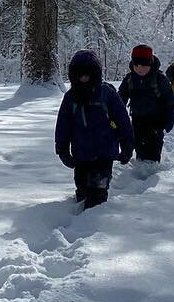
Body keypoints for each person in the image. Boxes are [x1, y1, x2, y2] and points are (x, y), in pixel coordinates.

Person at [55, 49, 134, 208]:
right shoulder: (70, 98)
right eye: (80, 73)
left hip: (104, 154)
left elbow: (123, 121)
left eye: (88, 73)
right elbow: (63, 125)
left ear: (95, 73)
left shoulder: (107, 94)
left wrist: (127, 146)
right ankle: (79, 219)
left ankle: (94, 224)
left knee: (97, 194)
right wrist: (62, 149)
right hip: (81, 154)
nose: (84, 77)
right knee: (82, 191)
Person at [119, 44, 174, 163]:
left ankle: (152, 171)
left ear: (150, 64)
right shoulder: (129, 79)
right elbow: (120, 98)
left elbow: (170, 103)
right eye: (137, 65)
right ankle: (141, 169)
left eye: (144, 66)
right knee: (139, 147)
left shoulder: (160, 79)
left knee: (154, 149)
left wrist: (169, 123)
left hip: (156, 122)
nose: (140, 69)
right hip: (137, 119)